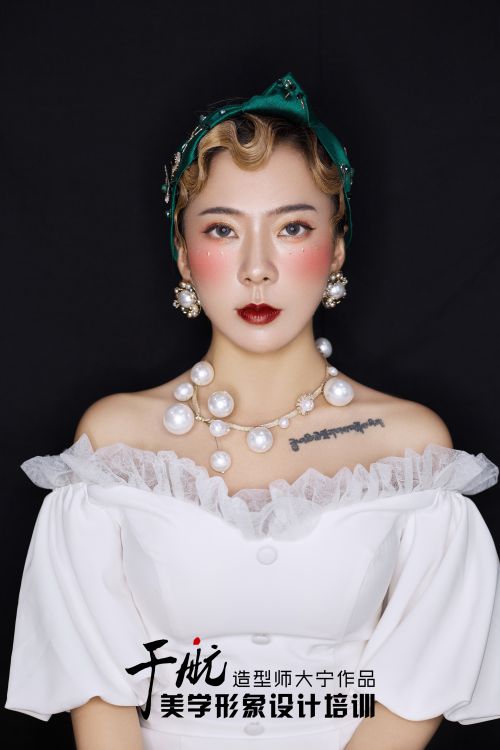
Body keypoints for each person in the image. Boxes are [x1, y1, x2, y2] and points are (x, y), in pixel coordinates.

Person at [5, 73, 500, 750]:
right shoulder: (113, 443)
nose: (257, 268)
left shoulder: (410, 450)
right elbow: (100, 701)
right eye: (223, 230)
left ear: (337, 248)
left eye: (293, 227)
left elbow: (413, 696)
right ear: (184, 254)